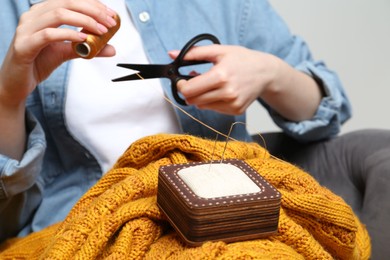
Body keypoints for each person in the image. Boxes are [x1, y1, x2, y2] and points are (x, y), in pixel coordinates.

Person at [0, 0, 388, 258]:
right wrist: (8, 97)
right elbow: (10, 209)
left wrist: (270, 74)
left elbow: (328, 111)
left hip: (233, 209)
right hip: (87, 223)